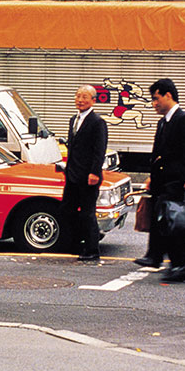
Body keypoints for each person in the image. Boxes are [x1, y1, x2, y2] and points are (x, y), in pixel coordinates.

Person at [133, 79, 185, 283]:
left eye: (156, 98)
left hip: (178, 181)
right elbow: (158, 153)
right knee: (168, 221)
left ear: (168, 95)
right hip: (164, 180)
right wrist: (152, 177)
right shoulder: (165, 121)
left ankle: (183, 267)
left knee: (176, 223)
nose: (154, 104)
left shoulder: (183, 120)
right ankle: (169, 259)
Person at [60, 84, 107, 263]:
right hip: (72, 174)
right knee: (67, 210)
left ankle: (92, 249)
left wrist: (95, 172)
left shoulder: (97, 122)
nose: (80, 100)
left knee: (88, 213)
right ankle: (76, 243)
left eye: (84, 97)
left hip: (89, 176)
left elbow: (99, 150)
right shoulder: (74, 119)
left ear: (93, 100)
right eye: (78, 96)